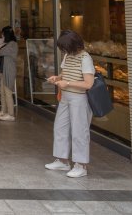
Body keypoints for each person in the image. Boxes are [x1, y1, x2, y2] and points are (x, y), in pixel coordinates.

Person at [45, 30, 95, 178]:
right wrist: (58, 78)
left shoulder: (85, 58)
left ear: (73, 45)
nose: (64, 50)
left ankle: (81, 165)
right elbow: (65, 73)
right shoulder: (68, 56)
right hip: (65, 97)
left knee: (79, 132)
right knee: (60, 128)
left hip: (79, 99)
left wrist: (66, 83)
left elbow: (88, 83)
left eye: (65, 47)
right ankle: (62, 160)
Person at [0, 26, 18, 122]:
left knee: (7, 93)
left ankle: (10, 114)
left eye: (3, 34)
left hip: (9, 71)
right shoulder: (8, 44)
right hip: (4, 71)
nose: (2, 36)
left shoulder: (12, 44)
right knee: (2, 92)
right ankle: (3, 111)